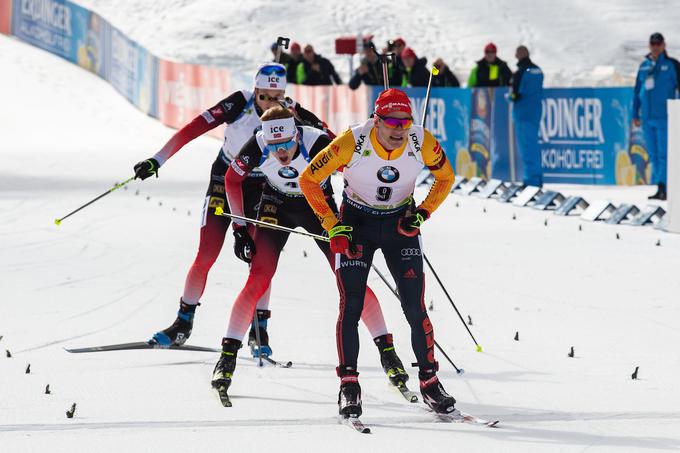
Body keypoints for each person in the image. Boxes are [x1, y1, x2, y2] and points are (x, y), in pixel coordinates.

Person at [132, 63, 330, 357]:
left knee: (259, 260)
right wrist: (158, 159)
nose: (268, 105)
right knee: (206, 254)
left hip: (262, 186)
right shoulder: (239, 102)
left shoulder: (288, 113)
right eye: (263, 97)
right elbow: (194, 128)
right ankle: (182, 322)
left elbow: (334, 141)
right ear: (256, 90)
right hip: (225, 179)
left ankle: (259, 330)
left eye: (276, 98)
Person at [211, 106, 409, 398]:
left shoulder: (317, 141)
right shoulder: (259, 143)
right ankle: (227, 358)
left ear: (297, 135)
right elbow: (231, 179)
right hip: (275, 204)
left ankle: (387, 352)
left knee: (350, 279)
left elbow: (358, 164)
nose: (280, 152)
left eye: (286, 144)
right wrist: (239, 229)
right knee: (259, 277)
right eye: (274, 145)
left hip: (317, 206)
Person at [299, 88, 456, 418]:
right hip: (357, 224)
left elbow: (446, 177)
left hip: (400, 224)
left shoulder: (420, 141)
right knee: (352, 303)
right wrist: (331, 223)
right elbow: (309, 179)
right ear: (376, 120)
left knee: (414, 306)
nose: (399, 129)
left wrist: (424, 212)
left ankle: (430, 382)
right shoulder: (352, 142)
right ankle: (349, 384)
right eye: (391, 122)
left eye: (405, 122)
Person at [633, 32, 680, 200]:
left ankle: (665, 186)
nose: (655, 47)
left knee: (664, 154)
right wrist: (635, 114)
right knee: (653, 155)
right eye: (653, 44)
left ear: (664, 45)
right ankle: (659, 186)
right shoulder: (644, 66)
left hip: (665, 117)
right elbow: (637, 91)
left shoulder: (671, 64)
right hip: (647, 118)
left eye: (658, 44)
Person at [508, 45, 544, 187]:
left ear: (519, 55)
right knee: (533, 146)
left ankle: (531, 181)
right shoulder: (538, 70)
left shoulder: (521, 72)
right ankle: (537, 178)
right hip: (535, 113)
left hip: (522, 114)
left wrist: (509, 97)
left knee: (527, 148)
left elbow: (515, 95)